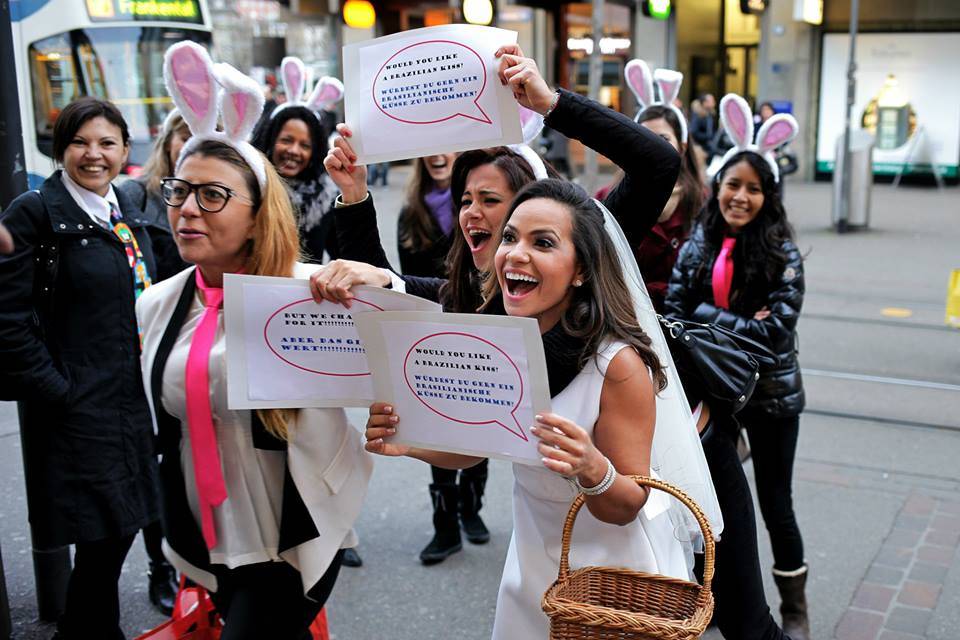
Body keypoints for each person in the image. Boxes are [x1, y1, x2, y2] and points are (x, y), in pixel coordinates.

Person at [362, 179, 714, 639]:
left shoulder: (617, 365)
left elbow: (628, 505)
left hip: (613, 579)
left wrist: (593, 468)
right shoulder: (499, 342)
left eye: (542, 242)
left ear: (581, 270)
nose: (515, 253)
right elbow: (475, 450)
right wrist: (411, 445)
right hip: (532, 559)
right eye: (510, 237)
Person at [137, 42, 373, 639]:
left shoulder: (307, 293)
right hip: (206, 529)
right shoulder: (157, 303)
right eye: (179, 191)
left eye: (212, 195)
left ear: (256, 212)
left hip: (294, 532)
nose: (187, 209)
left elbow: (398, 341)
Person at [0, 96, 159, 639]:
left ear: (123, 149)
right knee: (101, 530)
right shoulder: (35, 212)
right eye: (80, 142)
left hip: (129, 397)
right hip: (76, 405)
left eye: (107, 143)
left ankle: (83, 629)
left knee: (122, 525)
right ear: (61, 147)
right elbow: (8, 318)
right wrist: (56, 389)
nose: (94, 155)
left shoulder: (122, 206)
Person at [665, 94, 808, 639]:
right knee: (713, 503)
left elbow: (776, 334)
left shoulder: (782, 252)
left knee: (776, 503)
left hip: (771, 396)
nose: (740, 197)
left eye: (753, 188)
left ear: (768, 196)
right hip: (715, 397)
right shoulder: (699, 241)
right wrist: (724, 316)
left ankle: (794, 608)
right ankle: (717, 601)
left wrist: (708, 320)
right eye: (733, 184)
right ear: (717, 185)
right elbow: (675, 317)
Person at [396, 152, 497, 563]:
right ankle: (445, 525)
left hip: (483, 330)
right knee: (438, 432)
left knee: (481, 428)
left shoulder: (486, 212)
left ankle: (471, 509)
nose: (438, 155)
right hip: (434, 334)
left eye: (447, 148)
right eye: (430, 149)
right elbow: (405, 283)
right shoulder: (411, 213)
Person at [117, 109, 191, 614]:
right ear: (167, 144)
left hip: (195, 339)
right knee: (156, 461)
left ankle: (190, 563)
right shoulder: (134, 198)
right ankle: (161, 565)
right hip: (147, 343)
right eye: (184, 143)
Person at [252, 105, 339, 263]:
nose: (294, 151)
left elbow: (343, 256)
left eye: (305, 145)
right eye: (287, 140)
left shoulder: (327, 197)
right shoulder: (249, 190)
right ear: (271, 139)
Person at [121, 112, 191, 280]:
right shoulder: (135, 193)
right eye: (186, 138)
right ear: (167, 142)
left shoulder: (227, 200)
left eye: (204, 142)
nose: (194, 147)